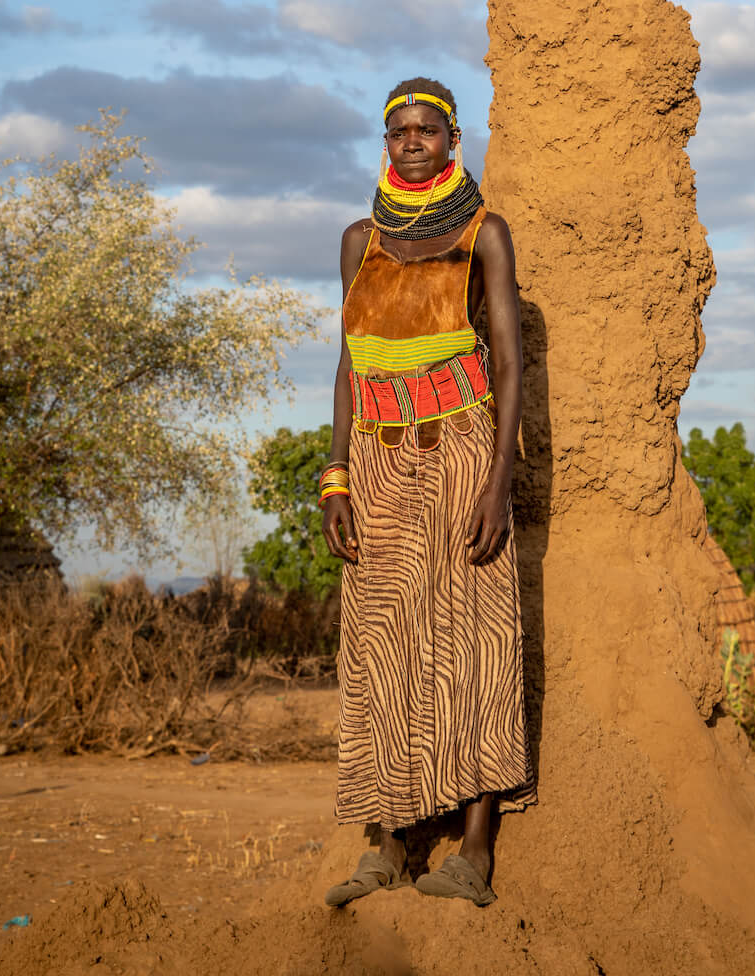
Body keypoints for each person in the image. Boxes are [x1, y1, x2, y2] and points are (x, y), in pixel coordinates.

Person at [320, 78, 533, 909]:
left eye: (426, 130)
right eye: (398, 131)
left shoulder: (484, 233)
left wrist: (498, 484)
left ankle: (473, 853)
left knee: (474, 639)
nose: (411, 141)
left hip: (460, 452)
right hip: (375, 459)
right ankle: (386, 843)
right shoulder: (358, 240)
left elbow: (509, 361)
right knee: (381, 641)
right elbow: (348, 364)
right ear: (386, 142)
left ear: (451, 139)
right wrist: (335, 476)